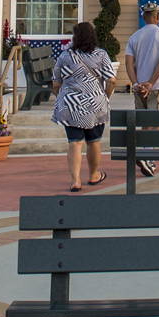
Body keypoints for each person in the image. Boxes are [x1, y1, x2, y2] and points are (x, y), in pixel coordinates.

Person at [52, 21, 116, 193]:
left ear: (75, 37)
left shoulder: (65, 56)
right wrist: (105, 97)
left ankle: (75, 180)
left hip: (71, 104)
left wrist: (62, 98)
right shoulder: (101, 55)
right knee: (93, 142)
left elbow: (56, 82)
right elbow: (111, 80)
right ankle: (94, 175)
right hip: (95, 104)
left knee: (75, 143)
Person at [121, 2, 159, 178]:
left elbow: (129, 63)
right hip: (157, 87)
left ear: (143, 17)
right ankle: (147, 153)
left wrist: (136, 84)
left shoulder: (134, 38)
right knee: (158, 120)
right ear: (158, 16)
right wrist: (151, 82)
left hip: (139, 89)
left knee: (145, 123)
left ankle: (146, 155)